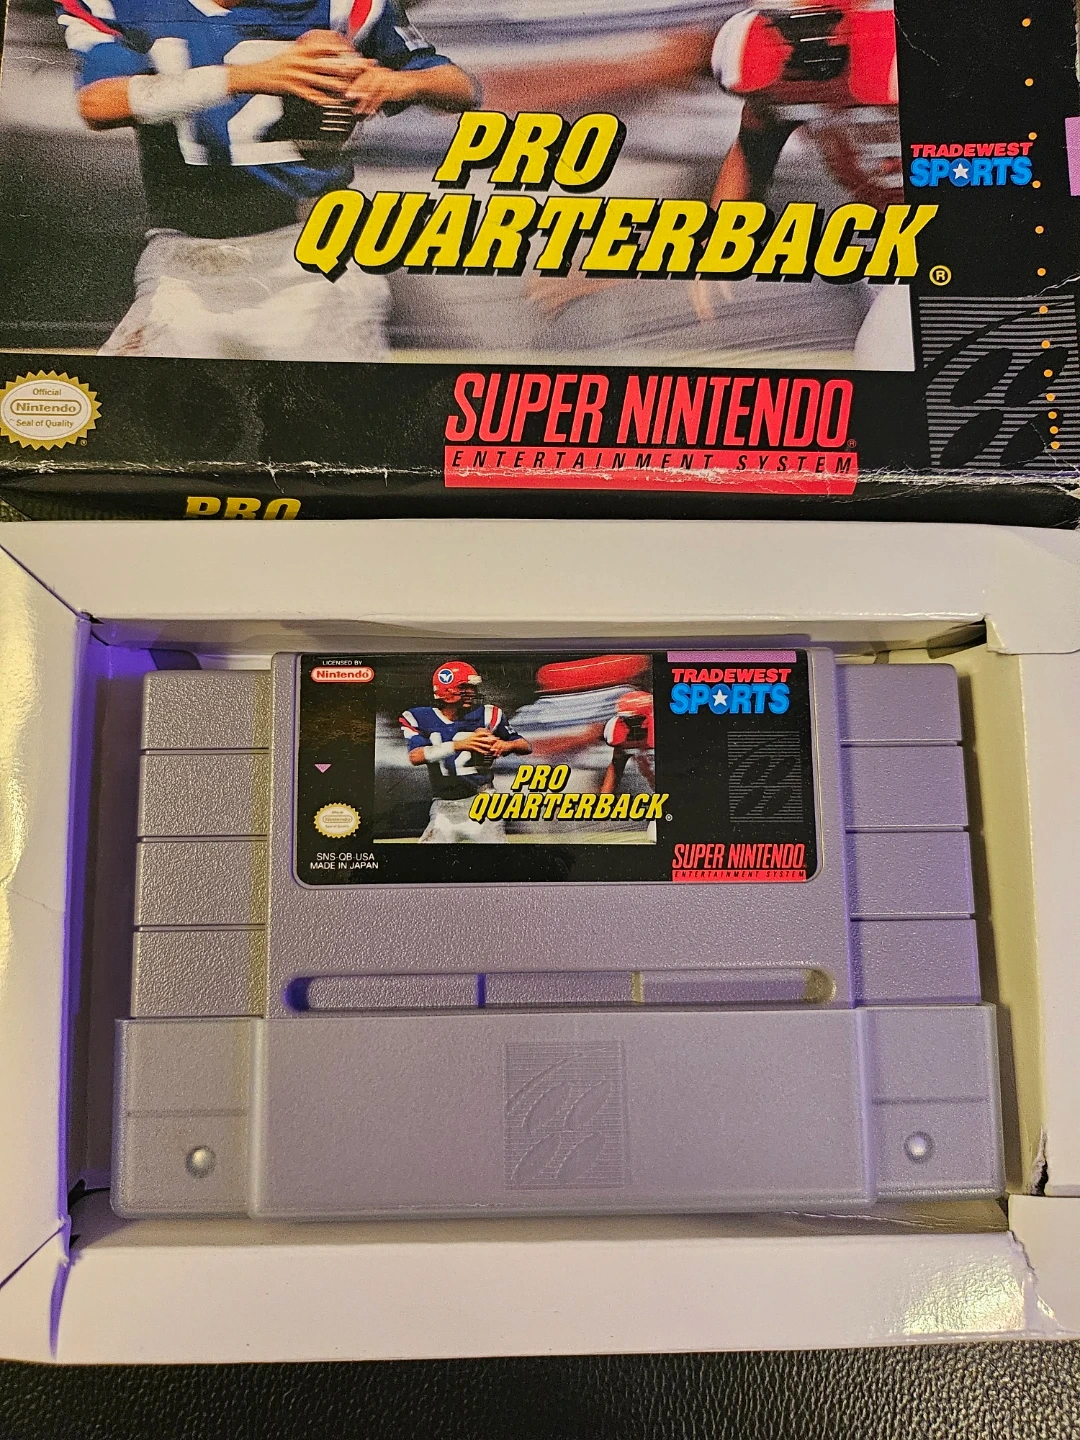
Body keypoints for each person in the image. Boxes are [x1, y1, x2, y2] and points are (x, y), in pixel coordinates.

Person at [57, 0, 475, 358]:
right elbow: (99, 103)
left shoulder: (343, 7)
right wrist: (249, 75)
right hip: (184, 262)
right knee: (137, 412)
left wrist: (401, 81)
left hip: (312, 260)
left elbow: (460, 87)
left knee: (332, 418)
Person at [398, 661, 531, 843]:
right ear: (445, 689)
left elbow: (525, 745)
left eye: (472, 687)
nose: (471, 692)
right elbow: (416, 756)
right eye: (464, 687)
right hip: (444, 807)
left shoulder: (488, 715)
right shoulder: (420, 717)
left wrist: (506, 745)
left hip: (483, 802)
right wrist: (459, 745)